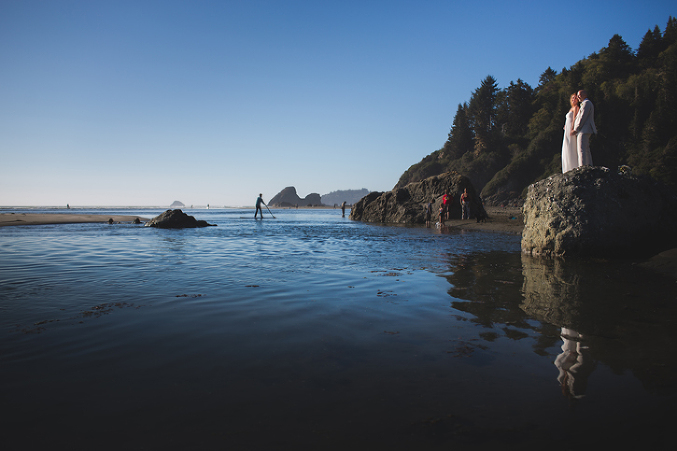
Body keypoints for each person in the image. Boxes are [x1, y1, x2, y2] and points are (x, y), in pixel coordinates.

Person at [571, 90, 597, 167]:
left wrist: (576, 129)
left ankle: (582, 167)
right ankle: (589, 165)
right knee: (586, 149)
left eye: (579, 95)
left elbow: (582, 117)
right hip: (584, 129)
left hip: (584, 130)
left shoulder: (586, 103)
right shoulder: (586, 104)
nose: (578, 97)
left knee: (581, 150)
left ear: (584, 95)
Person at [562, 93, 579, 173]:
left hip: (571, 129)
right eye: (572, 98)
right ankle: (567, 167)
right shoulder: (571, 108)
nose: (573, 100)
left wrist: (572, 128)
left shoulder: (576, 108)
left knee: (571, 146)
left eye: (575, 98)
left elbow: (575, 118)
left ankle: (572, 166)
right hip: (567, 129)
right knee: (566, 146)